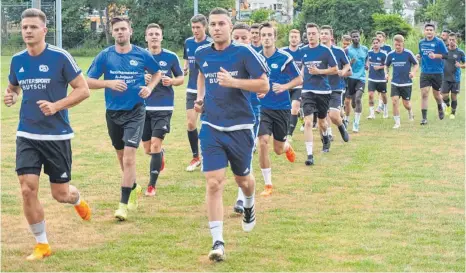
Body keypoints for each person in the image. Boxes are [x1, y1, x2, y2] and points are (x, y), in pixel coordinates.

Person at [5, 8, 91, 260]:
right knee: (27, 189)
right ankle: (42, 244)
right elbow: (14, 87)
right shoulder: (17, 60)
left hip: (57, 136)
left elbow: (83, 90)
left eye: (33, 27)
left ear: (45, 30)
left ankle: (77, 200)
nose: (28, 31)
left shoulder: (60, 57)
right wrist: (11, 95)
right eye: (24, 27)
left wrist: (56, 106)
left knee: (60, 194)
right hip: (27, 134)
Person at [194, 7, 269, 262]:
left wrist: (235, 83)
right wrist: (201, 98)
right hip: (211, 127)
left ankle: (249, 202)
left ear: (230, 26)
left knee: (243, 179)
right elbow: (203, 75)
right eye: (212, 24)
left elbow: (263, 84)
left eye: (221, 24)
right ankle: (218, 241)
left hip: (240, 127)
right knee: (214, 182)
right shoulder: (201, 53)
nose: (216, 28)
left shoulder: (243, 52)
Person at [87, 16, 162, 221]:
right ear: (112, 33)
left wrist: (149, 87)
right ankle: (134, 187)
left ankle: (122, 205)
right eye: (117, 29)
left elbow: (157, 73)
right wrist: (108, 84)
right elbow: (88, 81)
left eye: (123, 29)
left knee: (129, 157)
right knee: (121, 157)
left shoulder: (142, 54)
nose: (120, 32)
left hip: (136, 111)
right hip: (113, 112)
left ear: (130, 31)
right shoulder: (105, 55)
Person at [257, 22, 301, 197]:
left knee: (277, 148)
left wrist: (284, 86)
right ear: (260, 38)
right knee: (262, 142)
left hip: (282, 108)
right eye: (263, 35)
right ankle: (268, 184)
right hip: (263, 108)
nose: (266, 38)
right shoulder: (255, 58)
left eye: (269, 35)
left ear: (275, 38)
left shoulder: (284, 57)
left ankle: (287, 146)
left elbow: (299, 79)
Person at [143, 23, 184, 196]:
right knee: (148, 149)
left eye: (157, 34)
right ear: (146, 37)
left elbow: (181, 78)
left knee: (155, 144)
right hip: (142, 108)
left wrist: (172, 81)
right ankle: (160, 154)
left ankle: (151, 186)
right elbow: (130, 78)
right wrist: (141, 78)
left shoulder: (171, 56)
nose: (154, 36)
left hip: (164, 106)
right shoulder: (139, 56)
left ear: (161, 37)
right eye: (150, 34)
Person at [230, 22, 259, 214]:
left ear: (251, 39)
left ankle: (242, 198)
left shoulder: (256, 58)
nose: (240, 41)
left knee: (245, 156)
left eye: (244, 38)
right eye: (236, 38)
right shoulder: (225, 57)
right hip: (226, 113)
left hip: (250, 112)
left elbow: (265, 83)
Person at [300, 23, 338, 166]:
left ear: (318, 34)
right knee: (308, 122)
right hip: (307, 91)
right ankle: (310, 155)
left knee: (322, 122)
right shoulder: (302, 51)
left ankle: (326, 137)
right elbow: (302, 70)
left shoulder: (325, 51)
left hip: (323, 91)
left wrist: (319, 72)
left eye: (313, 33)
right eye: (308, 34)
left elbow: (335, 69)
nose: (311, 36)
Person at [183, 14, 213, 171]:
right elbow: (187, 58)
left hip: (209, 90)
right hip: (191, 89)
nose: (195, 30)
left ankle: (208, 157)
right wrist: (185, 67)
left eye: (198, 28)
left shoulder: (211, 44)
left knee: (207, 125)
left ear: (205, 27)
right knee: (190, 123)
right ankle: (196, 157)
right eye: (193, 27)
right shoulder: (188, 42)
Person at [320, 25, 350, 142]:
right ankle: (329, 135)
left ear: (331, 36)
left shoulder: (338, 51)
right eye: (321, 33)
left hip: (336, 87)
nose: (323, 35)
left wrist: (343, 71)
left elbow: (347, 65)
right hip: (320, 88)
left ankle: (341, 126)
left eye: (326, 33)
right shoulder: (316, 51)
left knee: (333, 115)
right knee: (323, 115)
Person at [416, 23, 448, 125]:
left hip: (437, 72)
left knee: (437, 95)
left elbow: (446, 55)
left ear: (434, 32)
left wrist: (436, 55)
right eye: (427, 30)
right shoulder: (421, 42)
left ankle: (440, 106)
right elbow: (421, 53)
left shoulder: (439, 42)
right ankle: (424, 118)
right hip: (425, 72)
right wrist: (418, 56)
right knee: (424, 93)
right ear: (424, 31)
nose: (429, 31)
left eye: (431, 30)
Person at [385, 35, 418, 129]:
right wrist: (386, 74)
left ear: (403, 43)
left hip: (406, 83)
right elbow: (386, 66)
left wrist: (413, 72)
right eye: (396, 45)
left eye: (399, 45)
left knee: (406, 104)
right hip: (395, 82)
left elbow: (416, 64)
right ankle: (397, 122)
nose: (397, 47)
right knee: (394, 101)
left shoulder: (408, 53)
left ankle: (410, 111)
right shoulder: (390, 54)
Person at [281, 29, 304, 142]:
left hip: (298, 86)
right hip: (285, 86)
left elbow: (305, 67)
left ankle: (289, 134)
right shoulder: (282, 52)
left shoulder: (303, 52)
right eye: (292, 37)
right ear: (289, 38)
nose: (294, 39)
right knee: (286, 110)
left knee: (294, 108)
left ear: (299, 39)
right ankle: (301, 115)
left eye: (296, 37)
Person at [344, 30, 368, 132]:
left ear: (360, 37)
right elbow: (343, 64)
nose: (356, 38)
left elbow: (367, 59)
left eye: (357, 36)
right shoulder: (347, 50)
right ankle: (347, 119)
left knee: (358, 99)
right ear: (351, 38)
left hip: (361, 78)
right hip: (350, 78)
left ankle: (356, 123)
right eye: (353, 37)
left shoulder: (365, 49)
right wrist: (350, 62)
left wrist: (367, 64)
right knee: (352, 102)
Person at [441, 32, 465, 119]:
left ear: (456, 40)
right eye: (450, 40)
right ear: (448, 40)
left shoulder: (460, 52)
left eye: (453, 40)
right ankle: (447, 106)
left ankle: (453, 113)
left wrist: (461, 65)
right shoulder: (444, 51)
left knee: (454, 96)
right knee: (444, 95)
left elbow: (465, 63)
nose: (451, 41)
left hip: (455, 78)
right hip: (445, 77)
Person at [366, 37, 389, 119]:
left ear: (380, 44)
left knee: (383, 95)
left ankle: (385, 109)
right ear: (372, 44)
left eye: (377, 43)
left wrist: (380, 67)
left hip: (381, 79)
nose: (375, 44)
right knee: (370, 95)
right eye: (374, 43)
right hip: (371, 78)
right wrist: (367, 65)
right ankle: (372, 114)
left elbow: (387, 65)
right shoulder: (369, 53)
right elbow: (368, 61)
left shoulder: (384, 54)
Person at [374, 31, 392, 113]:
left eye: (380, 37)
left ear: (384, 38)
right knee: (379, 90)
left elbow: (390, 61)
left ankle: (380, 106)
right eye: (377, 37)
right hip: (376, 72)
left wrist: (384, 68)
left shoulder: (388, 48)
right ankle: (382, 105)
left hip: (384, 71)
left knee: (382, 90)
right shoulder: (374, 46)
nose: (378, 38)